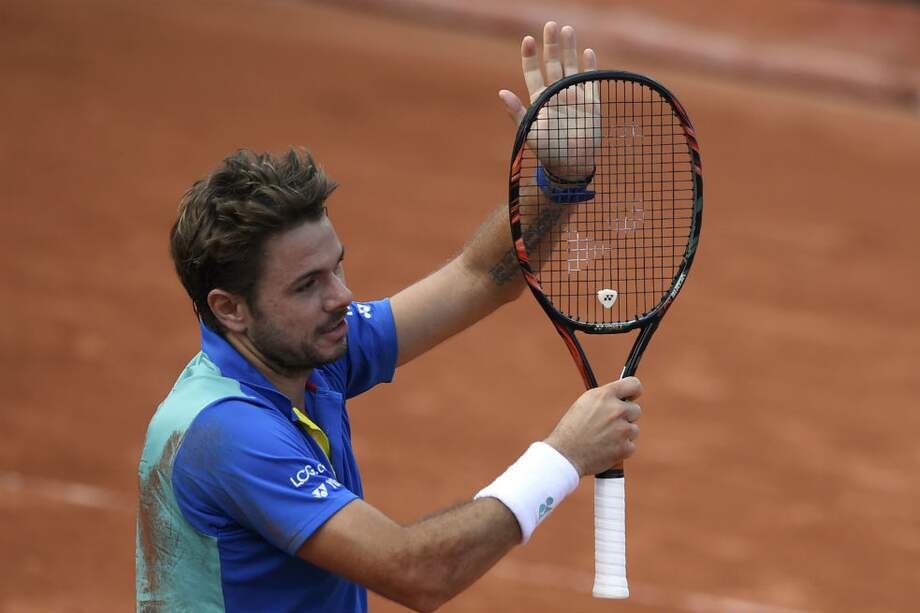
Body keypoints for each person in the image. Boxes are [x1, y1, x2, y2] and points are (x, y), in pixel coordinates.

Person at [136, 21, 642, 613]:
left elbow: (480, 278)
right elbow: (417, 573)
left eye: (336, 268)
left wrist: (557, 183)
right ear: (231, 309)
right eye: (307, 285)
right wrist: (564, 456)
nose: (342, 297)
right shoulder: (227, 434)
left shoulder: (301, 351)